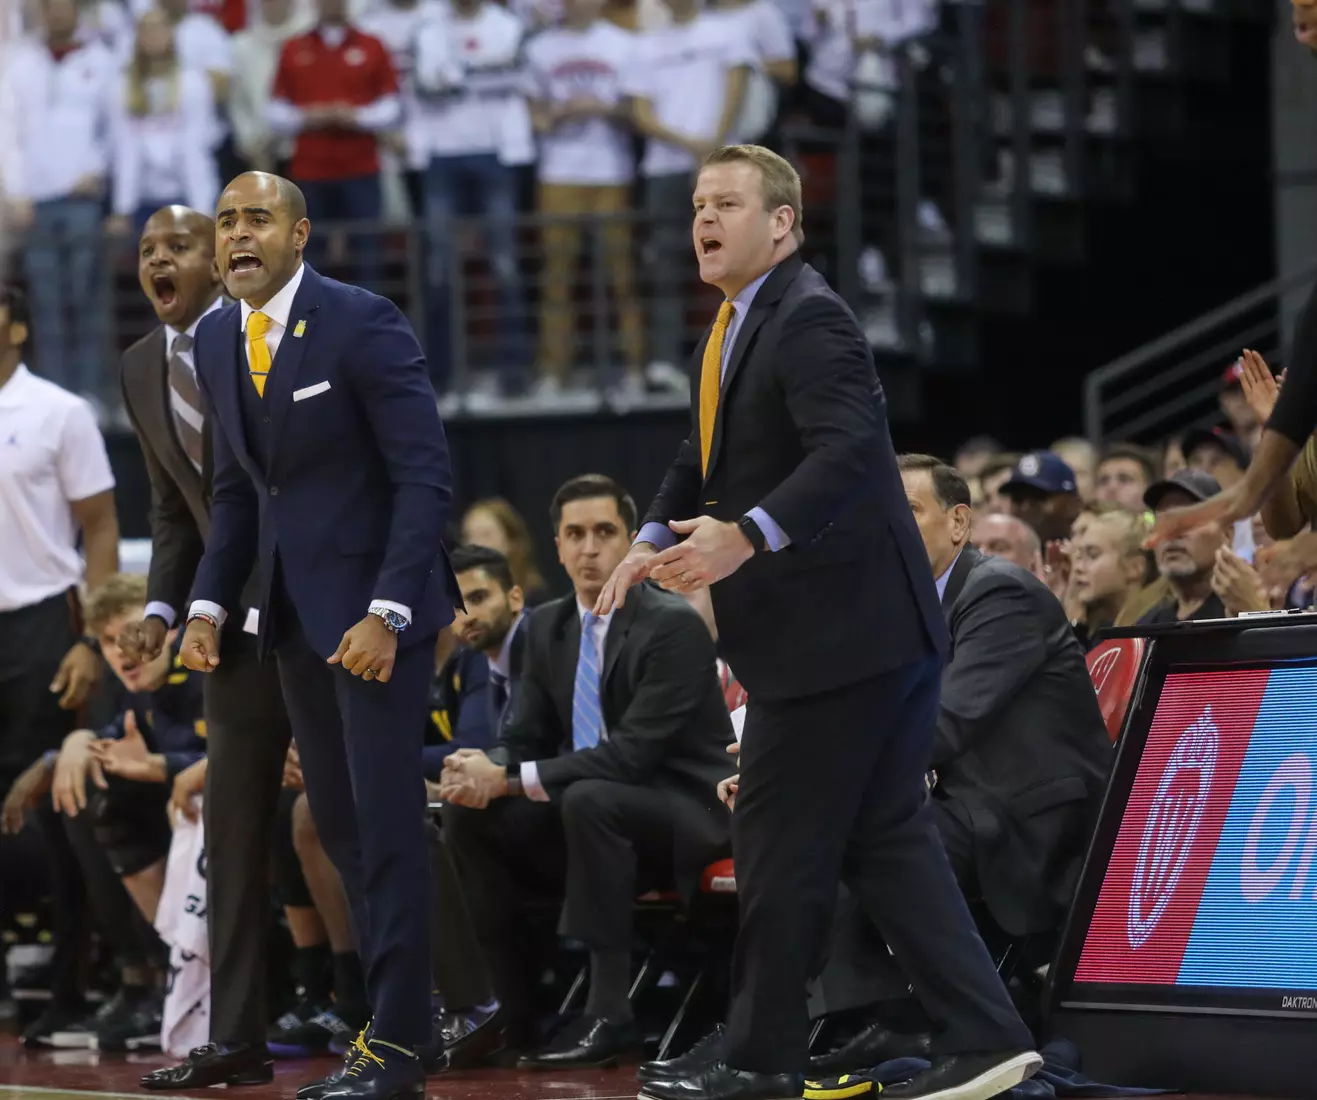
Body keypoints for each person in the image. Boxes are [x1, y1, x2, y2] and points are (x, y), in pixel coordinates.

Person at [595, 144, 1037, 1100]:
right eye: (696, 205)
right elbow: (699, 453)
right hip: (857, 638)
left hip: (843, 639)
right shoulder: (736, 323)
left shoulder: (812, 317)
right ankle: (986, 1036)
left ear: (782, 222)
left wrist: (743, 538)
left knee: (780, 844)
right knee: (885, 839)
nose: (702, 221)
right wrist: (649, 537)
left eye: (725, 204)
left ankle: (760, 1058)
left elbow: (849, 456)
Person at [175, 171, 460, 1100]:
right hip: (291, 623)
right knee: (340, 831)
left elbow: (423, 479)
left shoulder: (361, 321)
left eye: (256, 218)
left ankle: (406, 1046)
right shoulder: (216, 336)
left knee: (383, 829)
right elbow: (236, 494)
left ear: (301, 236)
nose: (236, 236)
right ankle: (397, 1024)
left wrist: (389, 613)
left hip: (381, 617)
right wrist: (208, 607)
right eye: (224, 222)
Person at [804, 457, 1111, 1075]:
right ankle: (885, 1017)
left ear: (959, 522)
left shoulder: (1000, 591)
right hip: (959, 801)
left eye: (908, 510)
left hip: (1035, 816)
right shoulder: (898, 605)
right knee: (818, 825)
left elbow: (945, 722)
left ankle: (939, 1023)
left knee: (868, 833)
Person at [439, 474, 733, 1069]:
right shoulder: (546, 627)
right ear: (557, 545)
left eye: (604, 532)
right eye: (575, 534)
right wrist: (478, 768)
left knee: (592, 798)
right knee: (467, 815)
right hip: (590, 814)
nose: (589, 547)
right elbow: (522, 737)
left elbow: (631, 758)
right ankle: (504, 1011)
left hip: (684, 813)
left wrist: (509, 776)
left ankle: (609, 1016)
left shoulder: (672, 624)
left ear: (631, 542)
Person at [115, 206, 299, 1091]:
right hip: (224, 623)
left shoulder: (257, 333)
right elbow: (173, 508)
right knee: (229, 833)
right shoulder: (138, 366)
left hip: (311, 607)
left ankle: (457, 1005)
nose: (161, 259)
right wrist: (163, 607)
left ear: (216, 260)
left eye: (177, 245)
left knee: (351, 820)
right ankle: (235, 1038)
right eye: (148, 250)